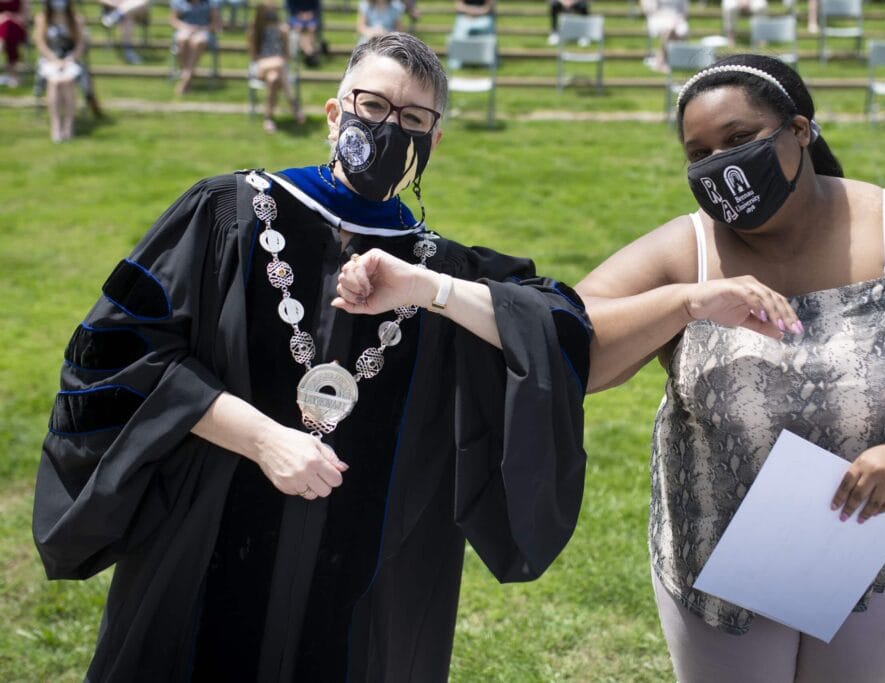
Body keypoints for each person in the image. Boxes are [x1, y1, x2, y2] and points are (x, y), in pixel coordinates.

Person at [33, 32, 590, 682]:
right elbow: (120, 355)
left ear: (434, 141)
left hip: (362, 579)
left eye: (413, 120)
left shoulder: (440, 269)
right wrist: (264, 437)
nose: (388, 131)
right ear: (334, 114)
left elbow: (558, 327)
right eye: (373, 106)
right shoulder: (229, 213)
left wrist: (431, 290)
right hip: (202, 544)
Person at [575, 54, 885, 682]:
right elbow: (573, 345)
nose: (719, 165)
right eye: (698, 152)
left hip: (870, 550)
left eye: (738, 140)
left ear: (801, 130)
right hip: (718, 564)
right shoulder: (688, 250)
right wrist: (681, 302)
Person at [33, 0, 87, 142]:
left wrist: (69, 59)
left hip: (70, 59)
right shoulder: (43, 18)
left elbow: (80, 44)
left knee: (68, 81)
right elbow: (41, 43)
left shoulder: (76, 19)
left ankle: (68, 126)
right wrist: (54, 60)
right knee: (55, 82)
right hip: (50, 60)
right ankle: (56, 125)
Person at [247, 1, 304, 133]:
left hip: (279, 68)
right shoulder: (254, 30)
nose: (271, 18)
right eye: (268, 15)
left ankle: (268, 119)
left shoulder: (282, 30)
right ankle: (293, 103)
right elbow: (254, 56)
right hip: (261, 66)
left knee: (273, 78)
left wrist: (278, 60)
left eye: (273, 14)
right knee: (278, 64)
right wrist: (275, 61)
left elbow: (287, 55)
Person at [169, 0, 221, 95]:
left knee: (198, 41)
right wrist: (187, 27)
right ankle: (187, 78)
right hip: (184, 29)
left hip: (204, 30)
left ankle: (185, 79)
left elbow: (216, 23)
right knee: (183, 39)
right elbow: (173, 20)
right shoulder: (179, 2)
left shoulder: (211, 3)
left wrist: (201, 29)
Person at [641, 0, 689, 73]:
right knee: (669, 29)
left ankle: (662, 59)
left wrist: (678, 18)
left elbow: (684, 11)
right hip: (658, 17)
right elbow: (651, 9)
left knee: (681, 29)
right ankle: (662, 60)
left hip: (676, 18)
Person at [0, 0, 30, 86]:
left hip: (17, 27)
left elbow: (26, 16)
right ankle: (13, 76)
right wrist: (3, 18)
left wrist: (11, 17)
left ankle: (1, 45)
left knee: (8, 27)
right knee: (7, 30)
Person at [286, 0, 322, 67]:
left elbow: (317, 8)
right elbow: (290, 7)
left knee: (312, 27)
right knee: (298, 28)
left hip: (311, 17)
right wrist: (301, 14)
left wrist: (309, 14)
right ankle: (310, 53)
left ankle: (310, 52)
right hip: (296, 17)